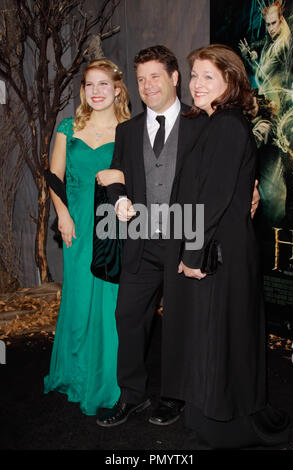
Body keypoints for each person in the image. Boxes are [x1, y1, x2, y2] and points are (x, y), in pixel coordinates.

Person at [96, 45, 260, 428]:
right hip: (140, 238)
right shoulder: (127, 130)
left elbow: (230, 170)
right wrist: (118, 197)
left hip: (185, 237)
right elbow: (117, 173)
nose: (148, 85)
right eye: (140, 79)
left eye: (155, 76)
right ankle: (132, 396)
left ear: (174, 78)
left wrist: (254, 190)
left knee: (182, 321)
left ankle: (174, 397)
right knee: (128, 317)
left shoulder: (204, 120)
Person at [161, 44, 290, 449]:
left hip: (218, 254)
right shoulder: (218, 123)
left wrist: (193, 256)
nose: (196, 85)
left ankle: (222, 424)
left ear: (231, 82)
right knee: (211, 334)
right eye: (194, 75)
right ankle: (209, 416)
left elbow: (212, 199)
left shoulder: (227, 126)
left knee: (215, 334)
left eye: (207, 77)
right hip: (221, 248)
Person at [44, 59, 130, 415]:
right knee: (78, 300)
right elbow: (54, 175)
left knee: (109, 303)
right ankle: (74, 375)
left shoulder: (129, 129)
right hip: (75, 223)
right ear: (83, 90)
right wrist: (62, 215)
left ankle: (105, 381)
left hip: (110, 222)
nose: (96, 91)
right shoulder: (68, 126)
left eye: (103, 85)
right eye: (89, 85)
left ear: (117, 90)